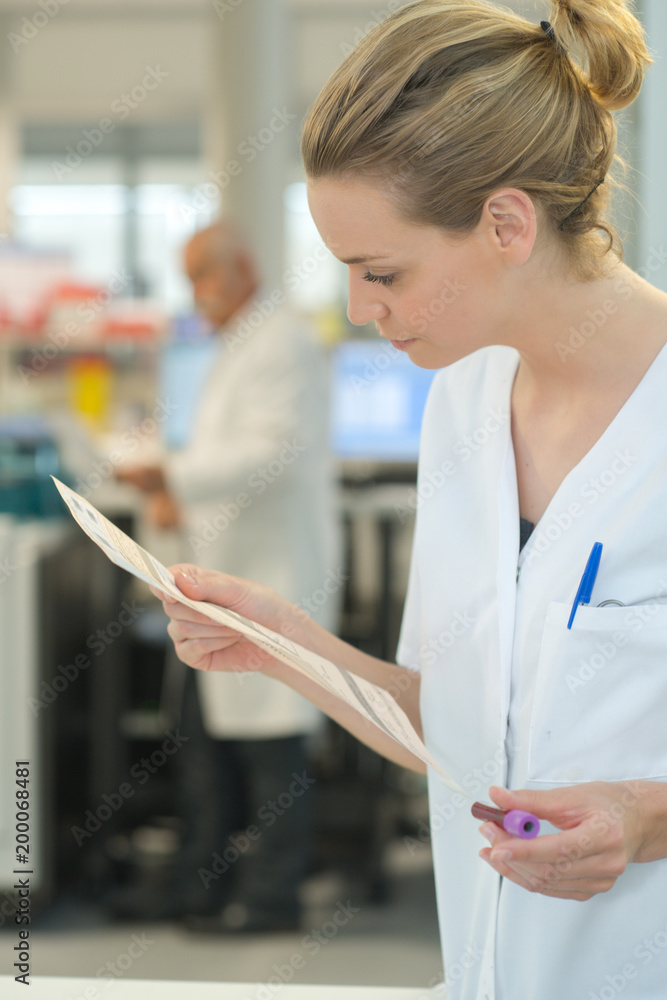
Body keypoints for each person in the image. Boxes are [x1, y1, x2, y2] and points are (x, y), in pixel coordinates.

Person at [152, 0, 667, 995]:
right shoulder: (464, 401)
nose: (357, 309)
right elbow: (452, 727)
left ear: (506, 223)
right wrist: (288, 648)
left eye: (379, 270)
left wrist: (648, 820)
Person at [117, 221, 339, 932]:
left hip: (272, 573)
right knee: (205, 744)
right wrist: (172, 487)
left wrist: (169, 473)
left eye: (203, 278)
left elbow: (265, 457)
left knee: (272, 750)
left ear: (241, 269)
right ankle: (199, 889)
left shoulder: (282, 342)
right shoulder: (239, 344)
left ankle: (272, 902)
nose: (195, 296)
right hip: (226, 575)